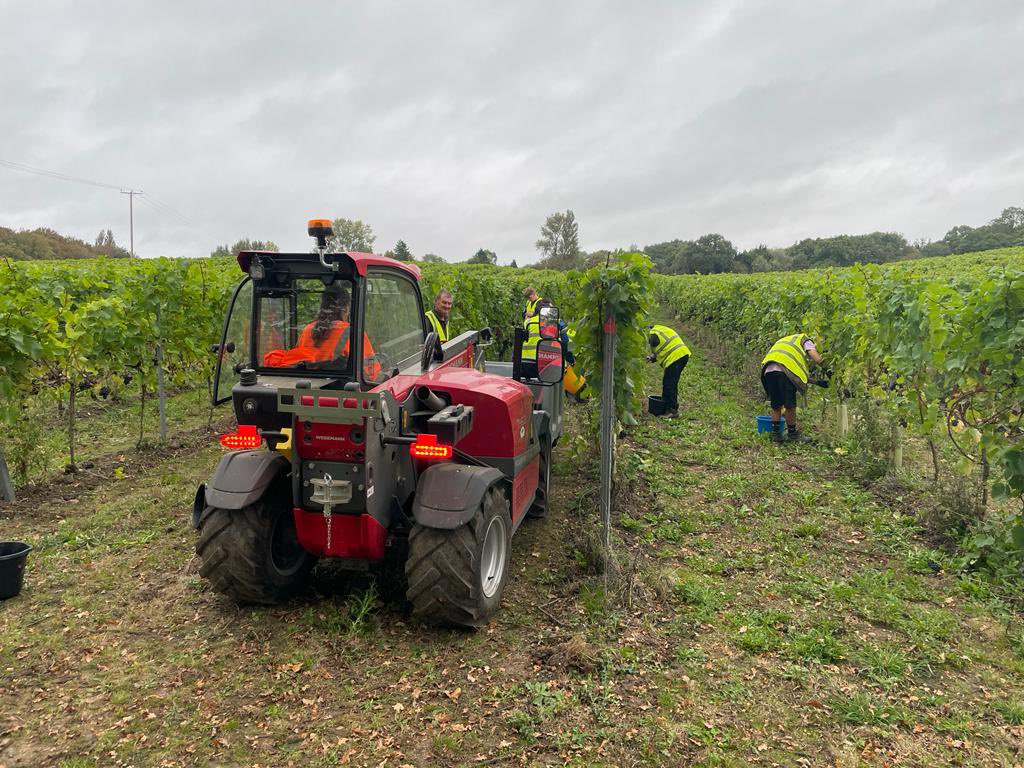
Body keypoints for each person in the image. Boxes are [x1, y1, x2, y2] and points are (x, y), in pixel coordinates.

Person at [262, 285, 382, 380]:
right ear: (345, 308)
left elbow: (299, 363)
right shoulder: (353, 333)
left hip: (306, 393)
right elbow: (372, 374)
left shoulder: (307, 330)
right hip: (342, 396)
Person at [760, 333, 824, 443]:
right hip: (784, 371)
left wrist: (817, 382)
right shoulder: (805, 339)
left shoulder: (786, 341)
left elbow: (794, 372)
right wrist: (828, 370)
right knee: (790, 405)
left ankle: (776, 435)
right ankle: (792, 434)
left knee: (776, 404)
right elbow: (816, 358)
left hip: (768, 369)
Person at [647, 324, 690, 415]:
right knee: (668, 382)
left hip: (676, 357)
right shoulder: (660, 329)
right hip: (680, 355)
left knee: (670, 383)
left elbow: (654, 342)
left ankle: (672, 409)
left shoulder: (653, 333)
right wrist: (652, 358)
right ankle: (666, 406)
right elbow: (663, 347)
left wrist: (649, 342)